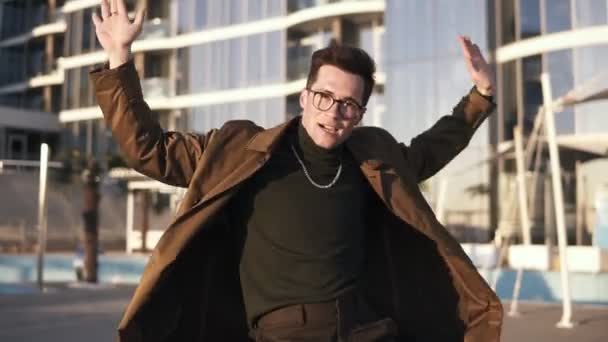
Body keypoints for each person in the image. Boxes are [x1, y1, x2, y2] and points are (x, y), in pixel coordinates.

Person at [91, 0, 503, 341]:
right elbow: (150, 150)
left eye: (349, 105)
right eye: (325, 96)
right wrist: (119, 60)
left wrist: (480, 96)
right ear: (304, 97)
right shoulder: (239, 150)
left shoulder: (372, 158)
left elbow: (427, 151)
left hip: (366, 329)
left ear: (359, 114)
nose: (335, 112)